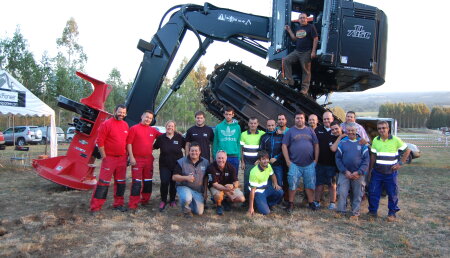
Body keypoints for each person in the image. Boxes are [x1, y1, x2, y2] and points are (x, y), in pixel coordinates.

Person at [368, 121, 410, 222]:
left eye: (383, 128)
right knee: (373, 192)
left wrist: (400, 163)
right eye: (379, 128)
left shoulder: (395, 140)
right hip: (377, 172)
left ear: (388, 129)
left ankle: (392, 213)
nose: (381, 130)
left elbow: (407, 150)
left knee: (392, 193)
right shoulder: (375, 140)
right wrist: (370, 170)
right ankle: (373, 212)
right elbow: (373, 156)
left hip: (390, 173)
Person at [90, 104, 129, 213]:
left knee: (121, 182)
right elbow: (100, 142)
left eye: (123, 113)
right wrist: (104, 157)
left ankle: (118, 204)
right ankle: (96, 207)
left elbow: (126, 142)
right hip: (109, 159)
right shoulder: (106, 124)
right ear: (115, 111)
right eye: (120, 112)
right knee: (103, 183)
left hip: (122, 159)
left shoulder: (125, 125)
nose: (121, 114)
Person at [282, 111, 319, 213]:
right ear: (294, 119)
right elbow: (284, 145)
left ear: (304, 119)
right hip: (294, 164)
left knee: (310, 185)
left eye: (301, 118)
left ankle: (311, 203)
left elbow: (316, 145)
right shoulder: (290, 132)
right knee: (292, 185)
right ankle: (291, 203)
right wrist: (287, 161)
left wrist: (316, 159)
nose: (299, 120)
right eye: (297, 118)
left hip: (309, 164)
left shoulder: (310, 131)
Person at [126, 110, 162, 211]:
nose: (148, 119)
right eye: (146, 117)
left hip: (148, 160)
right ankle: (133, 203)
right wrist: (131, 157)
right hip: (137, 159)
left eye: (150, 118)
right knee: (136, 182)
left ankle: (145, 200)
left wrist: (176, 133)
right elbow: (129, 143)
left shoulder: (153, 130)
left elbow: (163, 136)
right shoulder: (134, 129)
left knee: (148, 181)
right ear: (142, 116)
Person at [335, 123, 370, 220]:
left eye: (352, 130)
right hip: (344, 173)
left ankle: (355, 213)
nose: (351, 132)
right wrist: (345, 171)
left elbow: (366, 160)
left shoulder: (362, 143)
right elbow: (338, 159)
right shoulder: (342, 143)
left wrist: (359, 172)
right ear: (346, 131)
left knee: (357, 194)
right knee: (342, 192)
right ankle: (341, 211)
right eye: (348, 130)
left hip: (358, 175)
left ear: (356, 131)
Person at [282, 12, 318, 95]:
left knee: (306, 70)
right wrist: (289, 30)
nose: (302, 19)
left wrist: (313, 51)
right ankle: (290, 81)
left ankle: (304, 89)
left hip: (306, 52)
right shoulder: (298, 28)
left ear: (306, 19)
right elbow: (294, 39)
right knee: (286, 60)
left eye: (304, 18)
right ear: (299, 20)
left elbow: (315, 39)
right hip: (297, 51)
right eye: (301, 18)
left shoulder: (311, 27)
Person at [153, 120, 186, 212]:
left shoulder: (179, 137)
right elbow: (153, 147)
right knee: (164, 182)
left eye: (172, 126)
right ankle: (163, 200)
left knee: (173, 183)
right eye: (168, 126)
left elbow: (186, 146)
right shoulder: (161, 138)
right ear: (165, 127)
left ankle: (172, 200)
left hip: (176, 165)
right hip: (164, 165)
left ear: (174, 127)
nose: (170, 127)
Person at [172, 142, 209, 217]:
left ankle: (190, 201)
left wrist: (205, 191)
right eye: (192, 150)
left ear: (199, 152)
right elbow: (174, 177)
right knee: (186, 197)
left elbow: (206, 178)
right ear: (189, 151)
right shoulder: (181, 161)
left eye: (196, 151)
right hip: (184, 187)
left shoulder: (205, 162)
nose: (194, 152)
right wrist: (186, 178)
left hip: (198, 190)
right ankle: (186, 211)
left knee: (199, 212)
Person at [314, 112, 339, 210]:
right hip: (320, 162)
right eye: (324, 119)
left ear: (332, 119)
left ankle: (332, 203)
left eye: (328, 119)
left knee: (332, 184)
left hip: (332, 163)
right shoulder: (318, 129)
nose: (326, 121)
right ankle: (317, 202)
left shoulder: (336, 131)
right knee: (319, 184)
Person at [207, 150, 245, 215]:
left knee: (241, 199)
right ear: (216, 158)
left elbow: (236, 182)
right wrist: (227, 189)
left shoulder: (231, 167)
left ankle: (225, 201)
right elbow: (215, 184)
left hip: (228, 187)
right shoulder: (211, 167)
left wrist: (233, 186)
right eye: (219, 158)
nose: (221, 160)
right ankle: (219, 205)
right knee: (218, 195)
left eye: (222, 158)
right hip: (217, 187)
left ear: (226, 158)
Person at [248, 151, 284, 216]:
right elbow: (252, 191)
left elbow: (272, 174)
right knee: (266, 212)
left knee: (280, 192)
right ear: (259, 160)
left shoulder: (268, 166)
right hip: (258, 192)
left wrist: (275, 184)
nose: (266, 161)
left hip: (266, 188)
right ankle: (257, 204)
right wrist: (251, 208)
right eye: (263, 159)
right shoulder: (254, 172)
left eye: (267, 159)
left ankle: (268, 204)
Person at [240, 117, 265, 201]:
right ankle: (246, 200)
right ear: (248, 124)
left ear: (258, 124)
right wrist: (242, 162)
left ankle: (257, 199)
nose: (253, 125)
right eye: (251, 123)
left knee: (258, 181)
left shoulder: (262, 134)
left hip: (257, 163)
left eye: (254, 123)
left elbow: (263, 149)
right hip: (247, 163)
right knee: (247, 181)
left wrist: (259, 160)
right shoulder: (243, 134)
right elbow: (241, 149)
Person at [213, 107, 241, 173]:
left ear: (233, 115)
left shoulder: (237, 127)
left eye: (230, 114)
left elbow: (238, 142)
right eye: (226, 114)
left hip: (234, 157)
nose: (228, 116)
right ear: (224, 115)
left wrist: (238, 157)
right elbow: (215, 142)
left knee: (233, 178)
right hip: (221, 157)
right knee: (221, 178)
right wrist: (215, 156)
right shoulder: (218, 127)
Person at [259, 119, 284, 188]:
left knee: (278, 182)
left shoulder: (281, 136)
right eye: (269, 125)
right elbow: (261, 150)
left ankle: (278, 197)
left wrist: (276, 158)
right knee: (267, 182)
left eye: (272, 125)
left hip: (278, 164)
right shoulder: (264, 137)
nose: (271, 127)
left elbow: (284, 150)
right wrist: (266, 159)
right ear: (266, 126)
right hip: (266, 164)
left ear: (276, 125)